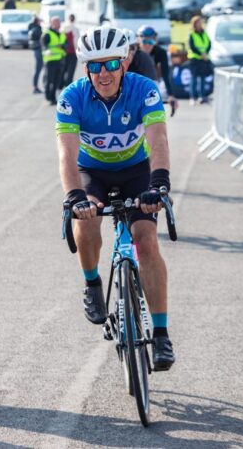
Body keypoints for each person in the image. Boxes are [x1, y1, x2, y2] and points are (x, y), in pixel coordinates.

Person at [55, 25, 175, 370]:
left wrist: (160, 183)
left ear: (124, 63)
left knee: (146, 239)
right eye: (95, 66)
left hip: (137, 171)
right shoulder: (72, 97)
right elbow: (66, 154)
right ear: (85, 68)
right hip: (92, 173)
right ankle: (92, 283)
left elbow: (158, 139)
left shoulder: (144, 89)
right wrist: (76, 195)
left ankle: (162, 334)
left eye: (110, 64)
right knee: (86, 222)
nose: (103, 74)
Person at [137, 25, 177, 114]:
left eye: (150, 41)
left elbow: (166, 74)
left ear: (155, 41)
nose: (147, 45)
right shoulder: (133, 52)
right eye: (144, 41)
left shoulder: (160, 52)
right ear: (138, 40)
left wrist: (171, 95)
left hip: (150, 83)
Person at [187, 16, 213, 104]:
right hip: (195, 59)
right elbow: (192, 46)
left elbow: (209, 44)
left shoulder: (204, 33)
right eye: (198, 22)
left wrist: (206, 53)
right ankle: (192, 98)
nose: (200, 24)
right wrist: (201, 54)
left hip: (204, 59)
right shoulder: (192, 34)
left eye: (200, 22)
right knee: (194, 79)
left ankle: (202, 97)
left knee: (202, 79)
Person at [42, 16, 66, 105]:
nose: (58, 24)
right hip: (50, 60)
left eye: (59, 22)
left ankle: (53, 97)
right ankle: (48, 96)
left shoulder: (61, 33)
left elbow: (65, 45)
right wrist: (48, 50)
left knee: (57, 80)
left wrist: (63, 46)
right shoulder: (47, 34)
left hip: (60, 60)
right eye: (56, 22)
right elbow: (44, 46)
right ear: (51, 23)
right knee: (49, 80)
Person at [61, 14, 79, 88]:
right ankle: (68, 85)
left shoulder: (63, 28)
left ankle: (60, 84)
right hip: (72, 52)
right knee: (71, 70)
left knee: (63, 69)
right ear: (74, 19)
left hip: (64, 52)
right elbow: (76, 41)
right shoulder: (75, 29)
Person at [28, 16, 43, 94]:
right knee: (38, 69)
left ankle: (36, 86)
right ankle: (35, 87)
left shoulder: (32, 28)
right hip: (38, 50)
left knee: (38, 69)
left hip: (36, 50)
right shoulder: (37, 29)